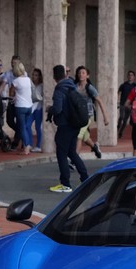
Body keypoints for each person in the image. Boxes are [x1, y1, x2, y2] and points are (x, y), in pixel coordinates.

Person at [47, 65, 89, 193]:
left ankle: (65, 183)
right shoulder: (72, 86)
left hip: (65, 125)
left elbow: (58, 108)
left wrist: (50, 109)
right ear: (65, 75)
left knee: (61, 153)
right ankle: (85, 178)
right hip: (75, 124)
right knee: (72, 152)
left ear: (54, 76)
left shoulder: (59, 89)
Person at [74, 66, 107, 158]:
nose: (81, 74)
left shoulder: (90, 87)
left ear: (87, 76)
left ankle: (74, 160)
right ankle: (95, 147)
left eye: (83, 73)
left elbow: (100, 101)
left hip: (88, 115)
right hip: (78, 115)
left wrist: (105, 117)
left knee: (79, 136)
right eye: (79, 73)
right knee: (85, 137)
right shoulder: (75, 87)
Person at [10, 61, 34, 154]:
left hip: (20, 106)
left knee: (22, 127)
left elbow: (11, 93)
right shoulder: (28, 79)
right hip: (29, 106)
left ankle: (27, 146)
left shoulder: (15, 81)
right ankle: (25, 145)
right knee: (27, 126)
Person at [27, 68, 44, 153]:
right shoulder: (30, 85)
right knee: (27, 125)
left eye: (36, 75)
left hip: (38, 109)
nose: (34, 77)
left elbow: (41, 99)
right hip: (31, 109)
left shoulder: (41, 86)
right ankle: (29, 143)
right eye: (33, 75)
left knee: (38, 127)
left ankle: (38, 145)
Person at [117, 70, 136, 138]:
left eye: (131, 75)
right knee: (121, 117)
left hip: (130, 105)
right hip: (122, 104)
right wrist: (117, 101)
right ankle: (117, 127)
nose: (130, 76)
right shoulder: (123, 85)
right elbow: (118, 93)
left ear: (134, 77)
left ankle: (120, 132)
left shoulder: (135, 86)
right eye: (129, 75)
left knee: (125, 120)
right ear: (127, 76)